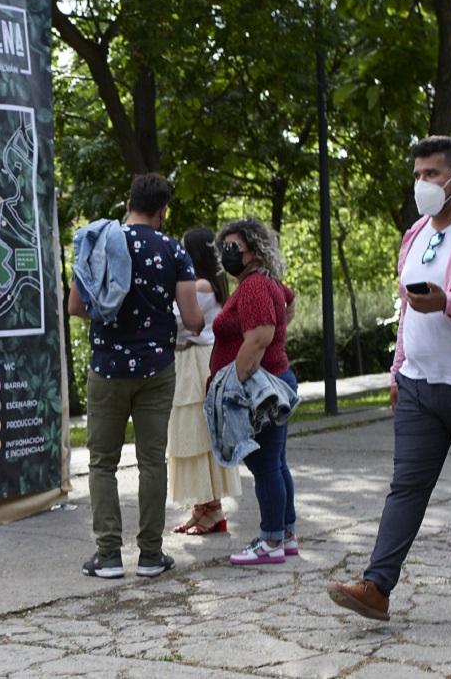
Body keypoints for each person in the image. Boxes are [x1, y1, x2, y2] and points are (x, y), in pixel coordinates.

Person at [328, 136, 451, 621]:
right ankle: (376, 586)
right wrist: (397, 370)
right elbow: (406, 312)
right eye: (417, 174)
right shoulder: (414, 234)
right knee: (406, 487)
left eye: (431, 174)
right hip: (418, 386)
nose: (422, 184)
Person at [68, 173, 203, 579]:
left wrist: (112, 317)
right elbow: (194, 320)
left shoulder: (101, 242)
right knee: (151, 462)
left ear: (129, 202)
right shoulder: (174, 251)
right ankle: (150, 556)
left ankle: (108, 556)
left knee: (103, 463)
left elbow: (75, 306)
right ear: (164, 210)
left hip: (107, 368)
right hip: (156, 368)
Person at [207, 218, 299, 565]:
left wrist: (236, 384)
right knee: (276, 463)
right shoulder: (264, 283)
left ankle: (271, 540)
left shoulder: (255, 287)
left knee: (265, 467)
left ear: (253, 250)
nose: (227, 254)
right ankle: (286, 534)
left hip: (261, 389)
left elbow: (259, 336)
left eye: (233, 248)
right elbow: (289, 303)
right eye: (224, 248)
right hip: (275, 381)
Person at [168, 227, 240, 535]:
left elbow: (179, 322)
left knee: (197, 434)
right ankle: (203, 507)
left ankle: (212, 509)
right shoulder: (215, 283)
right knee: (195, 434)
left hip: (196, 362)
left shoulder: (200, 285)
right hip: (194, 360)